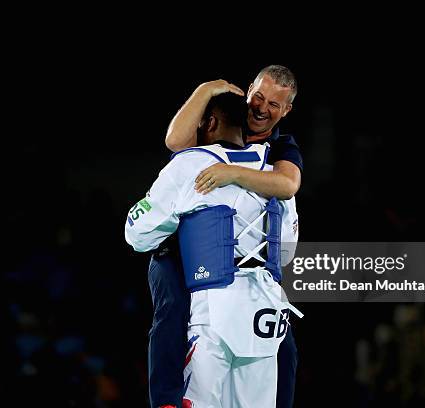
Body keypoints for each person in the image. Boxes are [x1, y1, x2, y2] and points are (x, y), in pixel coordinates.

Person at [126, 93, 301, 407]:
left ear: (209, 122)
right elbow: (286, 250)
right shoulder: (275, 172)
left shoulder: (192, 163)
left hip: (213, 308)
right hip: (267, 314)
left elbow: (137, 234)